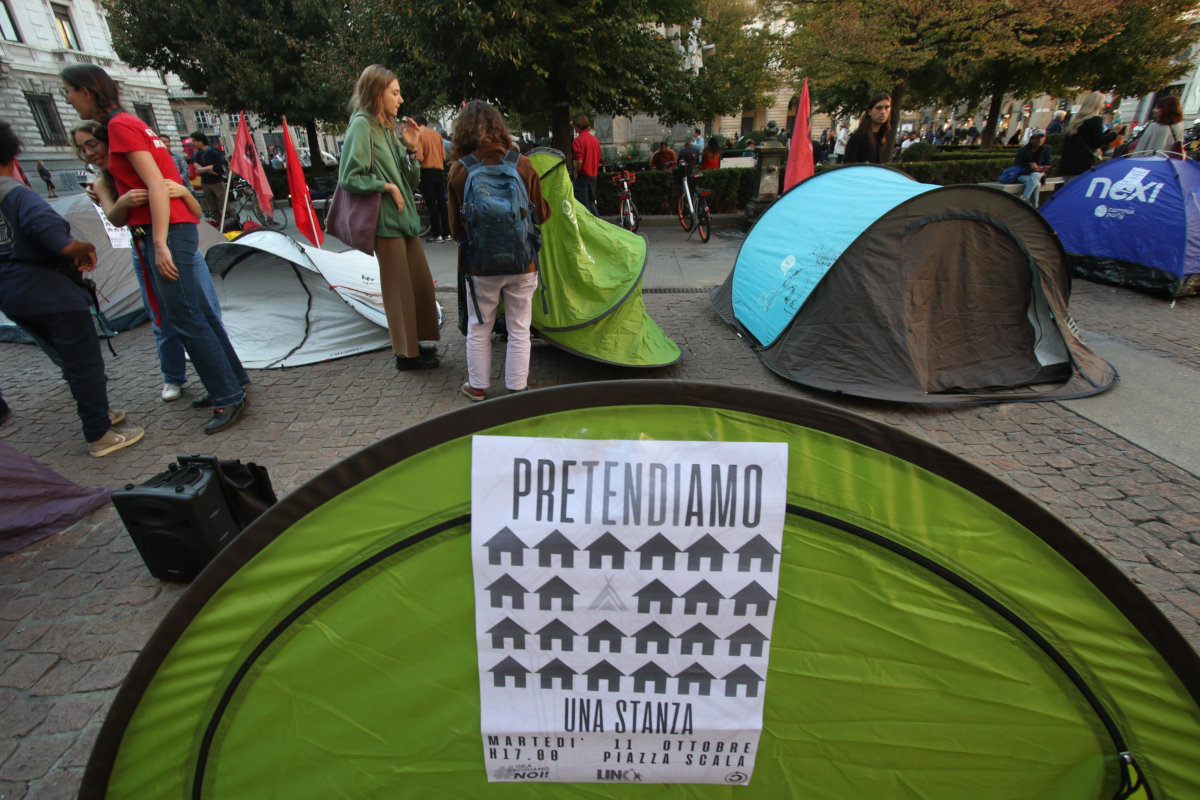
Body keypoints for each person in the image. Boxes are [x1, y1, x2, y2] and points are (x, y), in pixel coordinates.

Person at [62, 63, 250, 434]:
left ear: (86, 90)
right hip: (166, 228)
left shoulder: (119, 126)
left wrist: (160, 243)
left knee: (186, 318)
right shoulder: (127, 124)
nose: (67, 99)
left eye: (69, 91)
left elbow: (156, 183)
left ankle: (227, 395)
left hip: (162, 230)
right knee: (197, 314)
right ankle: (231, 383)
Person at [0, 120, 145, 456]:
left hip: (13, 297)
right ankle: (99, 434)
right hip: (49, 293)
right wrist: (84, 249)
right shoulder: (19, 196)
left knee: (67, 360)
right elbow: (58, 242)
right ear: (12, 154)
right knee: (84, 362)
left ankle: (99, 413)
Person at [72, 120, 219, 403]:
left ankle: (221, 378)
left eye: (92, 144)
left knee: (205, 310)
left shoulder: (149, 168)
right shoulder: (105, 180)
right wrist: (124, 203)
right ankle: (174, 377)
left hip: (176, 246)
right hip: (144, 247)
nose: (89, 153)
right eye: (82, 149)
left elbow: (193, 213)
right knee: (163, 316)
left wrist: (184, 194)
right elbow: (115, 218)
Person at [338, 64, 440, 370]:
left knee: (418, 282)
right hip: (386, 221)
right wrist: (387, 187)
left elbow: (410, 180)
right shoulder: (362, 126)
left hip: (404, 219)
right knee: (398, 288)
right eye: (394, 92)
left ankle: (416, 343)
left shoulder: (385, 127)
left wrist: (410, 150)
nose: (401, 99)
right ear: (376, 92)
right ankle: (405, 354)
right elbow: (348, 177)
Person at [448, 100, 551, 402]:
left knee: (479, 326)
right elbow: (541, 214)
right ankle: (517, 388)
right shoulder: (522, 164)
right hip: (523, 262)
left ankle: (477, 387)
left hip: (480, 266)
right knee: (520, 326)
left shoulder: (459, 170)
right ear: (500, 127)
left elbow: (456, 230)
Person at [1060, 91, 1126, 181]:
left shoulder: (1077, 121)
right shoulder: (1095, 119)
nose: (1104, 105)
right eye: (1103, 103)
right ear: (1097, 104)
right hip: (1082, 165)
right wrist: (1114, 133)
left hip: (1067, 165)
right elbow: (1098, 142)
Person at [414, 116, 450, 243]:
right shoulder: (437, 134)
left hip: (426, 172)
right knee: (442, 203)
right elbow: (444, 156)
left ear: (417, 124)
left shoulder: (419, 135)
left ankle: (437, 234)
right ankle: (447, 232)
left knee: (431, 204)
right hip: (439, 172)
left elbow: (420, 156)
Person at [188, 131, 230, 222]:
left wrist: (202, 169)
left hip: (217, 182)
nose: (193, 143)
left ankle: (234, 223)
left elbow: (218, 170)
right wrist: (208, 168)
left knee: (225, 205)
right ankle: (220, 225)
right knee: (213, 208)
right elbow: (196, 169)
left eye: (194, 141)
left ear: (200, 141)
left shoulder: (214, 153)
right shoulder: (198, 155)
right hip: (205, 182)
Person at [844, 92, 892, 164]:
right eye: (879, 108)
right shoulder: (858, 137)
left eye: (887, 107)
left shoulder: (883, 137)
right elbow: (848, 167)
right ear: (870, 112)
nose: (883, 112)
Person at [1013, 129, 1053, 208]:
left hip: (1039, 174)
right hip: (1024, 175)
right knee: (1036, 183)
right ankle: (1035, 206)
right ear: (1031, 139)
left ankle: (1024, 199)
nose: (1040, 140)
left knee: (1035, 175)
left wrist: (1039, 168)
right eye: (1037, 138)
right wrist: (1030, 168)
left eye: (1042, 137)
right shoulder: (1023, 150)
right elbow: (1017, 166)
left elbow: (1048, 164)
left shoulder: (1047, 149)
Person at [570, 113, 600, 215]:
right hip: (593, 176)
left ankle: (590, 228)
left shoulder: (578, 141)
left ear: (577, 125)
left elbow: (579, 160)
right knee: (592, 203)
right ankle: (599, 225)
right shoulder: (594, 140)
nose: (573, 128)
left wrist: (575, 171)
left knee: (583, 206)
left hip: (583, 177)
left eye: (574, 125)